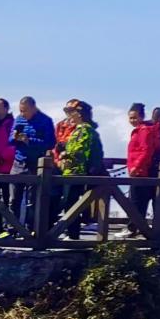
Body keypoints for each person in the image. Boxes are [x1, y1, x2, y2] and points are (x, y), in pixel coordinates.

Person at [57, 99, 104, 238]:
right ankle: (71, 232)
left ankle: (73, 234)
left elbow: (80, 150)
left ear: (80, 114)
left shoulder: (85, 129)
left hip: (78, 171)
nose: (69, 115)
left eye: (72, 112)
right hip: (71, 171)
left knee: (72, 202)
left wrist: (66, 153)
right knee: (69, 202)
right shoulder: (79, 129)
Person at [11, 95, 56, 227]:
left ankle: (31, 228)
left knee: (33, 199)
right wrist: (14, 138)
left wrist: (29, 140)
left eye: (24, 111)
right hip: (19, 161)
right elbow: (9, 140)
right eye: (20, 110)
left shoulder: (45, 121)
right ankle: (12, 228)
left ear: (33, 108)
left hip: (35, 163)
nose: (22, 114)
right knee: (14, 198)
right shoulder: (19, 119)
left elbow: (50, 143)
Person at [125, 102, 160, 229]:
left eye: (135, 117)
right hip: (145, 169)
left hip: (142, 170)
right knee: (140, 200)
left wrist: (136, 166)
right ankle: (142, 228)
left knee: (137, 200)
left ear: (141, 117)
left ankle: (135, 228)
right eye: (130, 118)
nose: (132, 120)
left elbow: (146, 150)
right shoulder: (147, 129)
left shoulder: (145, 130)